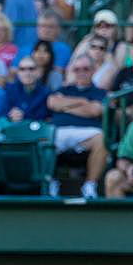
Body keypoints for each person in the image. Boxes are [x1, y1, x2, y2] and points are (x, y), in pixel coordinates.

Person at [47, 54, 109, 199]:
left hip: (87, 133)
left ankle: (89, 185)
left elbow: (95, 110)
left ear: (94, 70)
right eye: (77, 69)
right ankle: (50, 183)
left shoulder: (100, 92)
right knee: (44, 138)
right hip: (59, 132)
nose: (81, 73)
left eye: (86, 69)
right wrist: (82, 102)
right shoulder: (64, 89)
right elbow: (52, 103)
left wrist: (66, 106)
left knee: (102, 139)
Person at [71, 9, 128, 86]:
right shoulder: (88, 42)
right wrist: (86, 42)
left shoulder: (120, 46)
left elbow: (118, 72)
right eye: (99, 26)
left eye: (108, 26)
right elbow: (73, 63)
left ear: (115, 28)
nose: (103, 29)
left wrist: (108, 48)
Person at [16, 9, 70, 76]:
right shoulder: (24, 49)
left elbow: (60, 71)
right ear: (37, 28)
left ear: (58, 29)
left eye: (50, 27)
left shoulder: (63, 49)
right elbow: (14, 71)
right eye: (42, 26)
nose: (46, 30)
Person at [4, 56, 50, 122]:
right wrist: (11, 114)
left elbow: (46, 117)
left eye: (31, 69)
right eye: (22, 69)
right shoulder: (10, 90)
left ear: (39, 72)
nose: (27, 73)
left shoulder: (46, 92)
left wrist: (23, 115)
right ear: (18, 73)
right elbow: (3, 114)